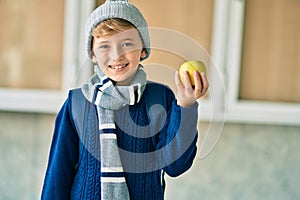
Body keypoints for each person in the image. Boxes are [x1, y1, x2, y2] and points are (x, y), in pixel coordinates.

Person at [41, 0, 209, 199]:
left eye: (127, 43)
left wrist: (186, 105)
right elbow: (58, 175)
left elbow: (175, 165)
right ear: (93, 54)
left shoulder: (160, 97)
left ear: (143, 49)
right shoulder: (77, 102)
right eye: (104, 46)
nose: (116, 55)